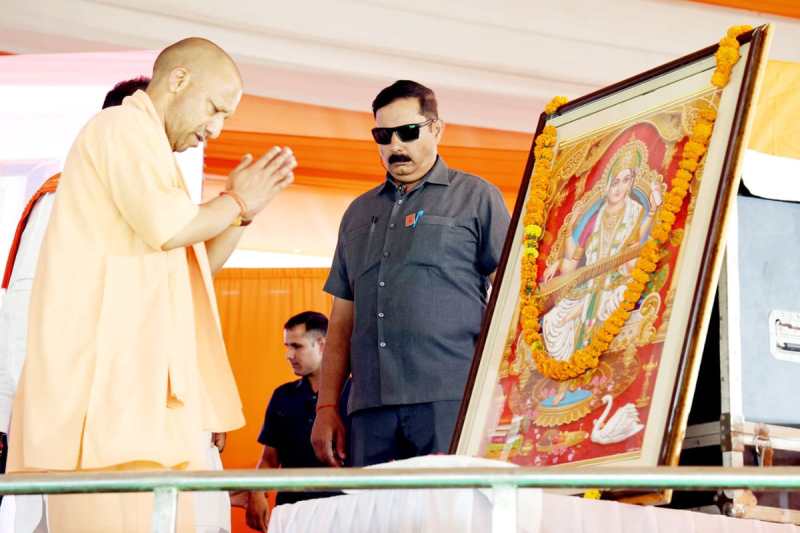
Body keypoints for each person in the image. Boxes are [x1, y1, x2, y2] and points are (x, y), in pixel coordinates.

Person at [6, 37, 297, 533]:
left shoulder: (159, 164)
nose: (216, 129)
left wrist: (242, 213)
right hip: (107, 402)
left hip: (147, 401)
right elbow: (170, 228)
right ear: (178, 80)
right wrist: (234, 203)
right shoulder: (119, 126)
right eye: (214, 109)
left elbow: (196, 267)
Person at [311, 80, 510, 468]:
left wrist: (506, 391)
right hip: (369, 408)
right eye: (383, 135)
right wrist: (327, 406)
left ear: (437, 129)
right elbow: (342, 322)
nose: (395, 145)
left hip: (449, 398)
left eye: (408, 132)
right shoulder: (357, 213)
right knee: (372, 507)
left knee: (447, 505)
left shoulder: (476, 197)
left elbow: (511, 301)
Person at [540, 143, 663, 361]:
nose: (619, 188)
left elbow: (639, 247)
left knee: (614, 302)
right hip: (587, 286)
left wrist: (653, 211)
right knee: (552, 321)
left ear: (631, 183)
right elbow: (573, 264)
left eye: (626, 180)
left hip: (616, 283)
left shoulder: (636, 212)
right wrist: (558, 262)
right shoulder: (594, 219)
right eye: (615, 182)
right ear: (607, 184)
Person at [245, 311, 350, 532]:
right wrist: (256, 492)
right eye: (287, 346)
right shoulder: (282, 396)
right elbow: (269, 459)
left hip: (345, 511)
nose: (289, 355)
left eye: (297, 346)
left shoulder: (356, 394)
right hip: (292, 513)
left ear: (322, 345)